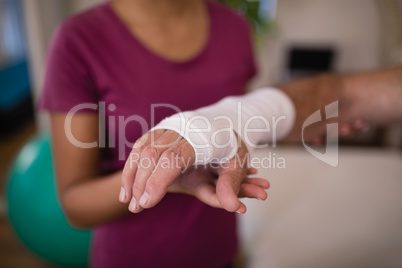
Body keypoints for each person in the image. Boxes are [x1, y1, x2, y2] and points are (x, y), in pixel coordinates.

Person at [39, 0, 270, 267]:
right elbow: (75, 205)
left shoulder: (234, 27)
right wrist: (165, 175)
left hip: (222, 253)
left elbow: (242, 129)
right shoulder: (78, 40)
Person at [122, 66, 402, 213]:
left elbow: (346, 96)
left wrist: (225, 129)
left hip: (219, 239)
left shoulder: (231, 23)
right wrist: (155, 174)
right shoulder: (81, 38)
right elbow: (345, 92)